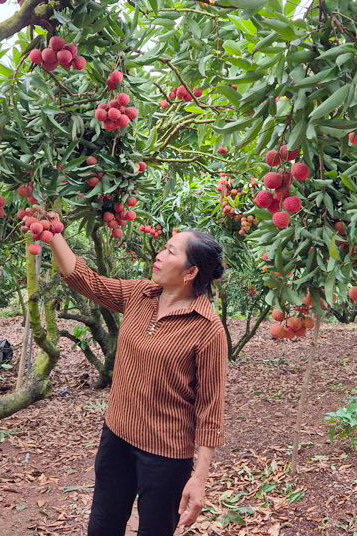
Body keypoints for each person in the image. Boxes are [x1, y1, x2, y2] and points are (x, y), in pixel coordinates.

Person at [48, 227, 228, 536]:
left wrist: (199, 478)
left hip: (166, 456)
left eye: (171, 251)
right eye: (163, 248)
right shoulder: (139, 294)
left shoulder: (207, 329)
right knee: (102, 527)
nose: (159, 255)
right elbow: (86, 280)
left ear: (191, 271)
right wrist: (52, 234)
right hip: (116, 436)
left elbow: (210, 408)